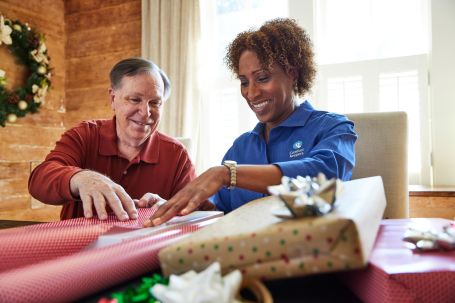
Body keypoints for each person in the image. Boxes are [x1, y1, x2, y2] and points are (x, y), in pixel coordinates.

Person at [144, 18, 358, 227]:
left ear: (292, 74)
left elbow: (326, 177)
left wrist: (228, 174)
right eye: (244, 82)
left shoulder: (332, 127)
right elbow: (219, 213)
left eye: (263, 78)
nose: (251, 93)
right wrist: (176, 207)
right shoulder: (240, 148)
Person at [29, 58, 197, 220]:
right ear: (112, 98)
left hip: (147, 248)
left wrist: (171, 209)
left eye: (155, 103)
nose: (146, 112)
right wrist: (80, 178)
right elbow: (38, 181)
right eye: (135, 99)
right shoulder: (84, 135)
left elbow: (198, 214)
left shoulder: (177, 155)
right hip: (83, 247)